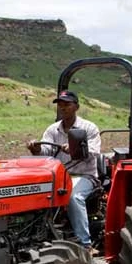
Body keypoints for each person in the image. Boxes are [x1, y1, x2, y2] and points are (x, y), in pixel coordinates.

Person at [26, 90, 101, 252]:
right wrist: (36, 149)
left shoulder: (89, 128)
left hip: (84, 176)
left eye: (67, 104)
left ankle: (85, 244)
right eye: (60, 104)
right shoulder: (53, 130)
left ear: (76, 107)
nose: (62, 107)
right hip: (58, 176)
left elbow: (94, 152)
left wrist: (75, 149)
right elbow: (45, 152)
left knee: (73, 196)